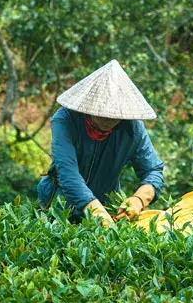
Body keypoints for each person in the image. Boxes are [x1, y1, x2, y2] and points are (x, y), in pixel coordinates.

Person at [37, 60, 164, 227]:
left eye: (115, 114)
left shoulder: (132, 127)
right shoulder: (65, 120)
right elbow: (67, 172)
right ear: (90, 106)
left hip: (107, 205)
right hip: (60, 206)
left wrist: (139, 199)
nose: (109, 120)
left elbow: (153, 170)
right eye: (104, 113)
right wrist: (95, 210)